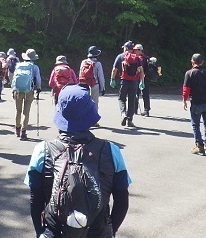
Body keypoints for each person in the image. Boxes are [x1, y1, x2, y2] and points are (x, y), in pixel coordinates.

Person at [24, 84, 130, 237]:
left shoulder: (42, 150)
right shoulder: (111, 150)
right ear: (90, 115)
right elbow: (122, 201)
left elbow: (36, 200)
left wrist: (41, 232)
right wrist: (109, 231)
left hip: (55, 232)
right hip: (99, 232)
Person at [182, 53, 206, 155]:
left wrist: (184, 100)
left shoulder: (189, 73)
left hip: (196, 103)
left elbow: (186, 89)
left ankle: (199, 146)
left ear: (192, 62)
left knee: (195, 125)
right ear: (202, 62)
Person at [110, 41, 144, 127]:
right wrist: (142, 81)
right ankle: (130, 120)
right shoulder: (137, 58)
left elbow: (114, 69)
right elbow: (141, 70)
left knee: (121, 99)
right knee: (132, 100)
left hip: (124, 81)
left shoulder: (120, 56)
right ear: (132, 49)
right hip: (134, 82)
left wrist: (112, 79)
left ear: (126, 48)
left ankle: (123, 114)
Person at [11, 48, 41, 140]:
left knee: (18, 111)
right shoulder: (34, 67)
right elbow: (38, 79)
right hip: (29, 90)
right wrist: (38, 88)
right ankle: (23, 132)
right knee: (26, 112)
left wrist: (13, 89)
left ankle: (17, 130)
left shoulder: (18, 65)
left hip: (18, 90)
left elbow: (14, 78)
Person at [78, 46, 106, 126]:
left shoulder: (83, 62)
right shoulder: (97, 64)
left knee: (84, 103)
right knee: (94, 103)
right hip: (94, 85)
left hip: (83, 85)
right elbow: (101, 76)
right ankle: (94, 121)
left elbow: (80, 74)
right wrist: (103, 87)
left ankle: (83, 120)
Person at [133, 44, 152, 117]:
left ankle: (135, 109)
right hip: (146, 78)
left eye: (136, 50)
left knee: (136, 93)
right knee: (145, 94)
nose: (134, 51)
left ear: (140, 50)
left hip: (139, 78)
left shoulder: (140, 58)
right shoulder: (146, 57)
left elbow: (139, 69)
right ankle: (146, 110)